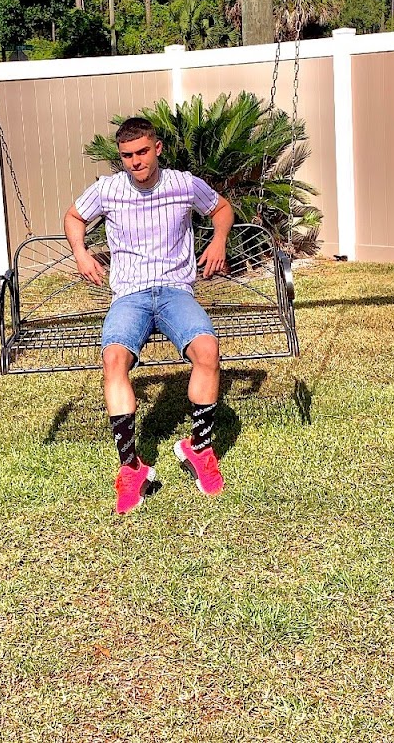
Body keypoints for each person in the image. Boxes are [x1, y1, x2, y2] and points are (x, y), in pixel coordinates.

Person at [64, 117, 235, 515]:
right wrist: (81, 253)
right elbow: (74, 217)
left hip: (176, 292)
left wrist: (219, 241)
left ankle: (199, 450)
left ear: (157, 148)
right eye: (127, 156)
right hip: (131, 295)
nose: (136, 162)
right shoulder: (107, 189)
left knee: (207, 350)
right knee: (113, 359)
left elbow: (221, 208)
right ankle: (131, 468)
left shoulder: (184, 184)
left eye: (142, 152)